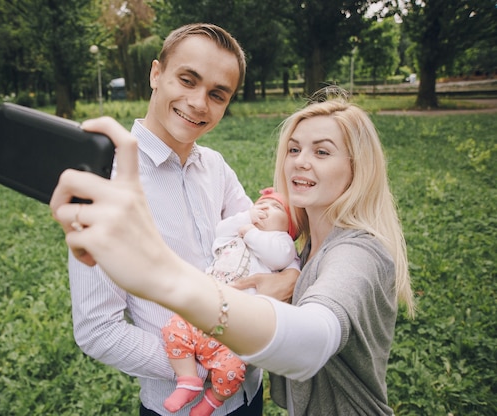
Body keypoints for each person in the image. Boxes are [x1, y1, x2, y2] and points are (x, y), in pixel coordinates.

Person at [50, 93, 415, 415]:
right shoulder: (310, 245)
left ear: (358, 168)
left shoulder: (357, 253)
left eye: (322, 151)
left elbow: (315, 340)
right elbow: (98, 329)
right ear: (156, 75)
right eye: (293, 148)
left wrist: (167, 278)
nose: (300, 161)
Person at [65, 23, 299, 416]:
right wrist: (201, 366)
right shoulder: (106, 182)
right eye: (187, 80)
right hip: (178, 406)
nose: (198, 103)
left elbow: (262, 243)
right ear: (157, 74)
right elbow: (97, 328)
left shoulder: (216, 167)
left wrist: (290, 276)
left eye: (217, 94)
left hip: (249, 391)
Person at [162, 188, 300, 415]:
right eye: (262, 203)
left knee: (233, 368)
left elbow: (279, 256)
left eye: (276, 207)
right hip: (204, 310)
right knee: (174, 328)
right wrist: (246, 220)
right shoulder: (236, 233)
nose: (265, 207)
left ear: (289, 227)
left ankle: (213, 399)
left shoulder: (280, 242)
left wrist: (251, 234)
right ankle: (187, 380)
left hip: (236, 327)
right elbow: (222, 229)